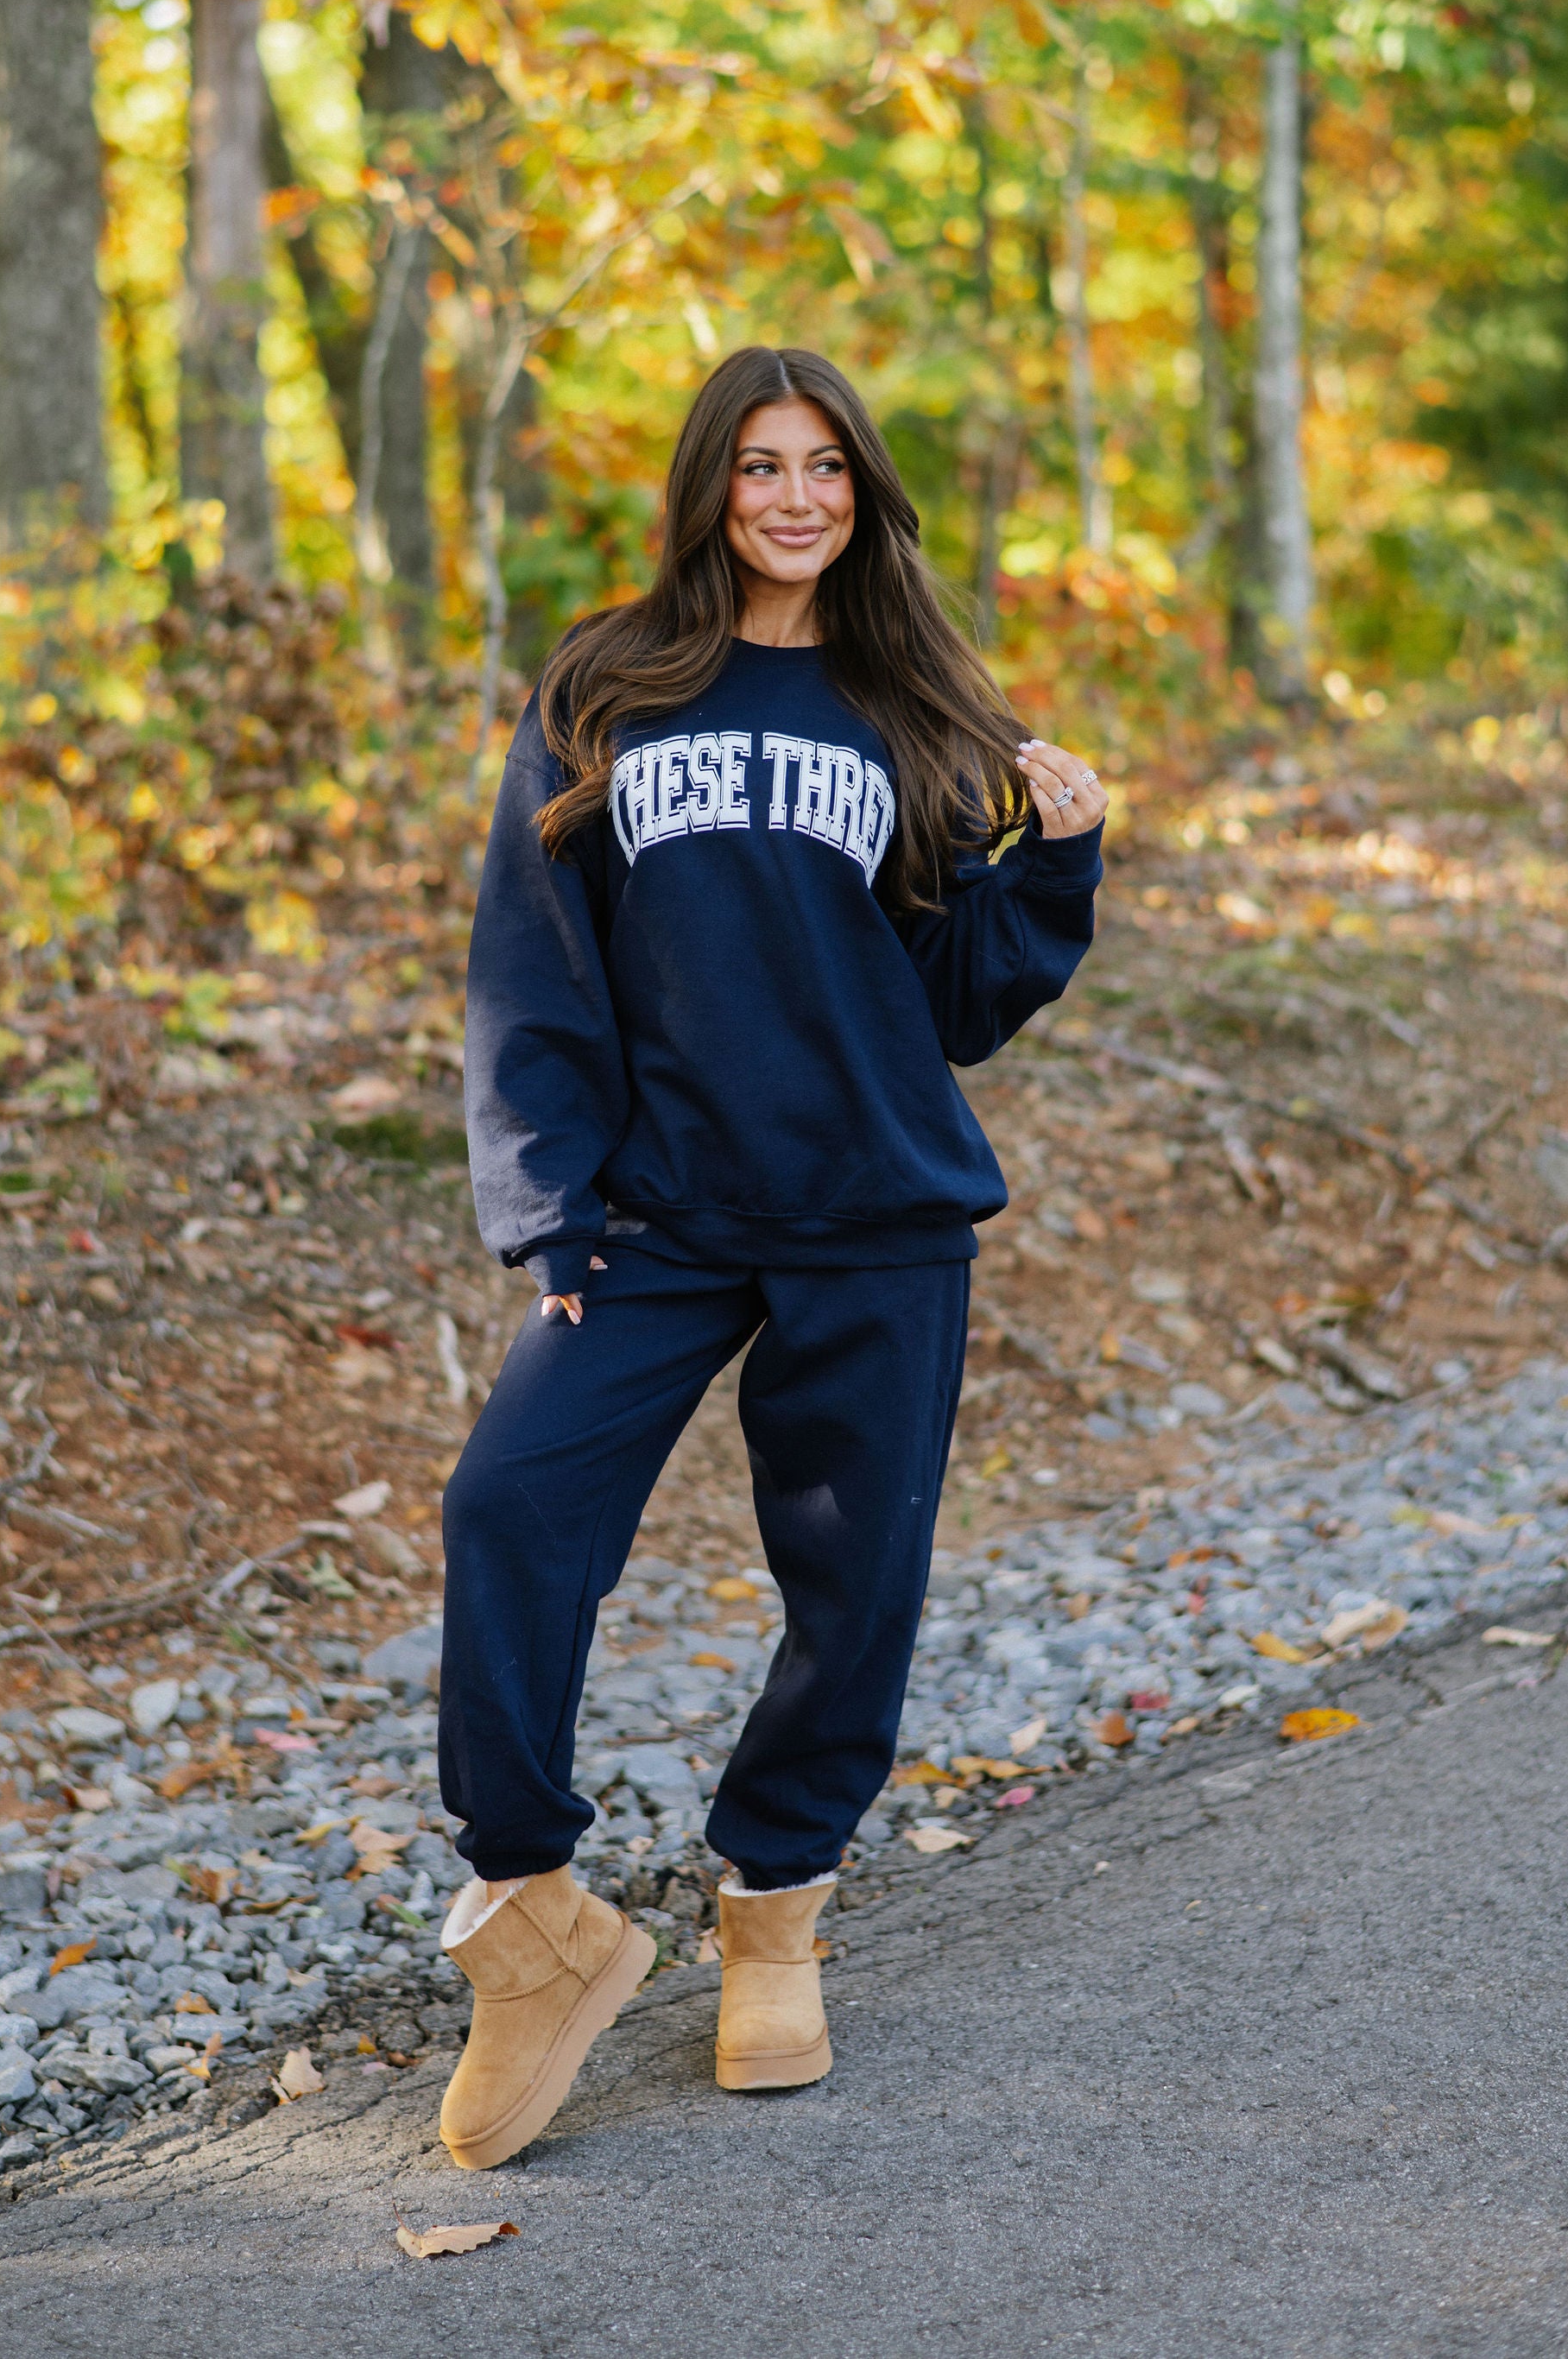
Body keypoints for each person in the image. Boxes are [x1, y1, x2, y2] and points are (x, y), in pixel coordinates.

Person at [433, 345, 1105, 2170]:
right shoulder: (603, 686)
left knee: (849, 1588)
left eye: (823, 468)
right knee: (509, 1506)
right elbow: (530, 963)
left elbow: (956, 1006)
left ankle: (774, 1914)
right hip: (657, 1220)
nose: (793, 498)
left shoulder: (917, 706)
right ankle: (533, 1914)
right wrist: (548, 1201)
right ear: (706, 489)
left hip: (875, 1220)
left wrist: (1053, 863)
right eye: (758, 468)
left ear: (862, 492)